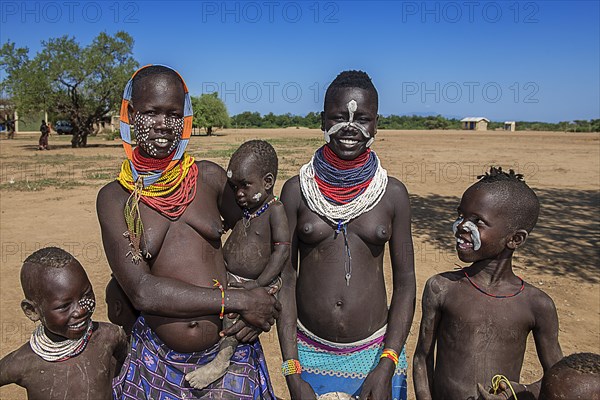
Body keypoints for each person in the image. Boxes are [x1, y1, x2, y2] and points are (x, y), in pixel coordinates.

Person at [97, 64, 280, 399]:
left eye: (173, 114)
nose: (164, 125)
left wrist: (265, 294)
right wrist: (239, 300)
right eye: (151, 113)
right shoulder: (116, 198)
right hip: (155, 362)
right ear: (131, 113)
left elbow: (260, 232)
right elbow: (142, 291)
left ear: (186, 117)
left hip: (230, 353)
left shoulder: (209, 179)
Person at [278, 70, 415, 399]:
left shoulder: (392, 195)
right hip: (308, 352)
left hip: (378, 354)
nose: (351, 127)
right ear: (321, 120)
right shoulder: (297, 192)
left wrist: (387, 364)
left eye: (362, 118)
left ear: (376, 124)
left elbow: (407, 283)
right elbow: (285, 279)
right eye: (339, 117)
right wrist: (292, 373)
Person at [413, 167, 563, 400]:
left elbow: (557, 376)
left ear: (515, 239)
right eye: (460, 215)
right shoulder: (442, 288)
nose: (461, 226)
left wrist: (514, 392)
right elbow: (422, 357)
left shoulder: (536, 304)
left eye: (477, 221)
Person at [186, 139, 290, 389]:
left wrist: (258, 285)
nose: (238, 194)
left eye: (245, 186)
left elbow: (281, 252)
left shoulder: (274, 211)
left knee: (232, 318)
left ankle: (222, 360)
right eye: (234, 186)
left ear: (267, 182)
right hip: (232, 278)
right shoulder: (248, 209)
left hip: (254, 283)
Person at [0, 247, 128, 400]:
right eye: (64, 306)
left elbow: (129, 367)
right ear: (32, 311)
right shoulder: (23, 363)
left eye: (86, 296)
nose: (80, 310)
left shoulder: (109, 337)